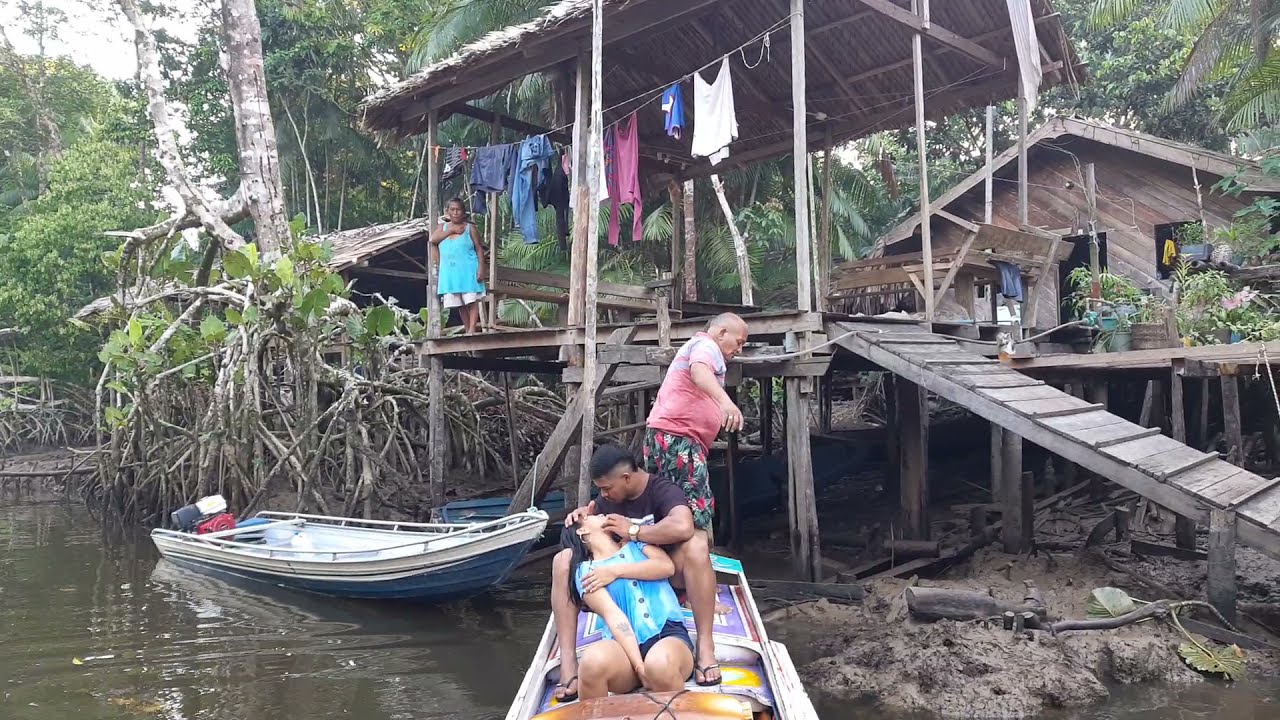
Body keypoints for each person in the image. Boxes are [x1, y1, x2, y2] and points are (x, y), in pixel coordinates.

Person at [550, 445, 720, 701]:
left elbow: (683, 528)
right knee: (562, 560)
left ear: (626, 478)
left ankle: (705, 646)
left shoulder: (662, 490)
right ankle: (568, 664)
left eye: (606, 488)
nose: (602, 495)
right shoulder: (607, 503)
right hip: (619, 593)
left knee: (697, 542)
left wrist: (633, 533)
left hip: (666, 574)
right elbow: (586, 527)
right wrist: (581, 515)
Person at [560, 514, 694, 700]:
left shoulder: (637, 545)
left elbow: (666, 567)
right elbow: (614, 616)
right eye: (592, 516)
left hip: (668, 634)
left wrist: (614, 572)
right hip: (624, 651)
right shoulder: (585, 572)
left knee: (660, 664)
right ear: (582, 530)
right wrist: (638, 665)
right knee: (591, 663)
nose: (601, 514)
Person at [644, 313, 749, 543]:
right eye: (739, 342)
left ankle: (676, 566)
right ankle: (700, 564)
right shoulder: (706, 345)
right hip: (680, 438)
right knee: (693, 508)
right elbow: (699, 372)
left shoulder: (700, 345)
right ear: (722, 333)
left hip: (667, 435)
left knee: (667, 504)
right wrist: (726, 402)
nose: (739, 350)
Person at [429, 198, 487, 335]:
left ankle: (472, 329)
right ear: (447, 212)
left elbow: (479, 249)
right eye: (452, 210)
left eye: (458, 210)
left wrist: (481, 268)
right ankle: (467, 329)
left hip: (468, 269)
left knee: (472, 300)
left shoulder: (470, 228)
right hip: (450, 272)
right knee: (459, 302)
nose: (455, 212)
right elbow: (433, 240)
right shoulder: (441, 228)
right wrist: (451, 230)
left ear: (463, 212)